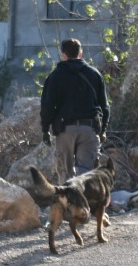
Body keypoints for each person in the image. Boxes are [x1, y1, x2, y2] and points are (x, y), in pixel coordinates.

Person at [40, 38, 110, 182]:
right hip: (89, 129)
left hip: (64, 129)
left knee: (65, 175)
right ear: (81, 53)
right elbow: (105, 106)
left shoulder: (55, 76)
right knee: (85, 176)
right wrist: (103, 130)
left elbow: (47, 106)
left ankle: (68, 203)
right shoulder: (95, 74)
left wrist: (45, 129)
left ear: (63, 55)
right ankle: (84, 202)